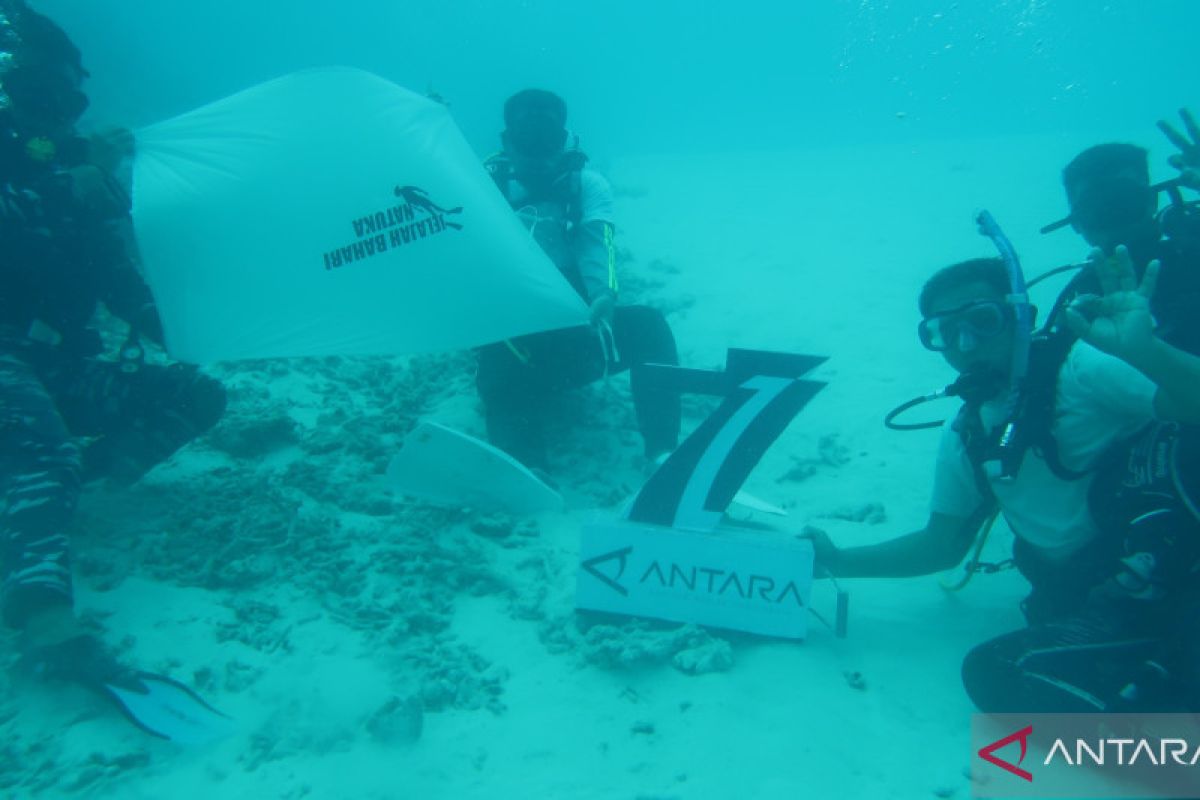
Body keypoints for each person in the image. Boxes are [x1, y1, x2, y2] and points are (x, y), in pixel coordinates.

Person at [808, 246, 1200, 713]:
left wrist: (1146, 352)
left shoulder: (1080, 368)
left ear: (1022, 317)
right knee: (999, 673)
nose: (966, 344)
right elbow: (942, 544)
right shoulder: (966, 434)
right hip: (1105, 604)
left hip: (1172, 576)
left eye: (982, 321)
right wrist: (837, 561)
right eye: (945, 332)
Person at [1, 0, 225, 699]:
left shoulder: (82, 189)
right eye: (47, 95)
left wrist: (198, 334)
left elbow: (125, 290)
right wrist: (66, 173)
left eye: (69, 102)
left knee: (198, 397)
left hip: (49, 365)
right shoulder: (35, 169)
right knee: (43, 448)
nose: (62, 115)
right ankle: (43, 626)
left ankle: (56, 499)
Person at [475, 89, 680, 472]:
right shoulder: (477, 187)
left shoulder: (588, 184)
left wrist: (604, 294)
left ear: (563, 138)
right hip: (510, 337)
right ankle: (525, 468)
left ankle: (663, 453)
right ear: (506, 142)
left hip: (574, 335)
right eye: (525, 138)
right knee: (497, 357)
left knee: (650, 327)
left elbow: (596, 243)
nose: (536, 150)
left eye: (547, 137)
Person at [1043, 109, 1200, 355]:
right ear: (1075, 223)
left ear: (1152, 202)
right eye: (1098, 209)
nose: (1115, 219)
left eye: (1124, 201)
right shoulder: (1079, 304)